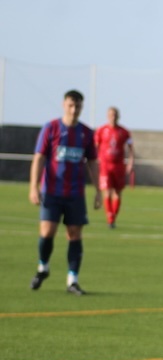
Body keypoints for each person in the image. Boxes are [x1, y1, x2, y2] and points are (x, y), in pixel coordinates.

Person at [28, 89, 101, 296]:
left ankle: (72, 280)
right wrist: (34, 186)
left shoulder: (86, 133)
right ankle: (43, 267)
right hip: (52, 191)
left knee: (75, 234)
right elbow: (39, 157)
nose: (74, 109)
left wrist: (98, 190)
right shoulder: (51, 128)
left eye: (77, 106)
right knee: (47, 232)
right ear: (64, 105)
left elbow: (93, 162)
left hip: (75, 193)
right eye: (71, 105)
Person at [94, 106, 134, 229]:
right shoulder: (101, 130)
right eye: (111, 114)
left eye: (115, 114)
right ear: (107, 116)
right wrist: (95, 161)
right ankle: (110, 218)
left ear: (118, 116)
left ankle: (113, 217)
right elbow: (95, 147)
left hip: (119, 165)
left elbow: (131, 148)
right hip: (105, 165)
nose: (113, 117)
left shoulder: (124, 132)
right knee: (107, 190)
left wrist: (130, 162)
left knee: (117, 192)